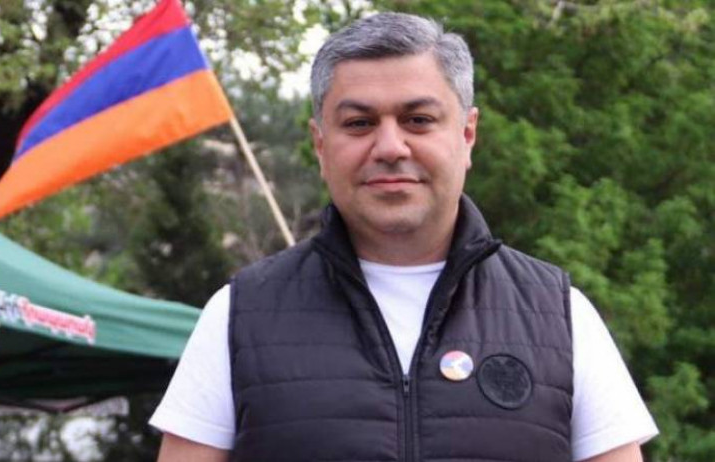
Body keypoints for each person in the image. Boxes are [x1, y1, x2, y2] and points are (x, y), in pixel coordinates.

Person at [151, 12, 658, 462]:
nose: (390, 146)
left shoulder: (562, 316)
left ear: (467, 135)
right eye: (359, 123)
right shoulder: (239, 315)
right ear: (320, 144)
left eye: (418, 120)